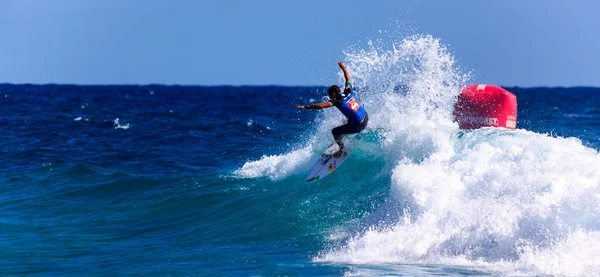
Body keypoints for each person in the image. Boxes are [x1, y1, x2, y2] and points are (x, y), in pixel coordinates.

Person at [297, 61, 368, 156]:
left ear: (334, 93)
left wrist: (306, 107)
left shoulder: (337, 101)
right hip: (366, 118)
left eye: (330, 95)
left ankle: (341, 149)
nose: (330, 97)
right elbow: (348, 79)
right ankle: (345, 137)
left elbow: (321, 106)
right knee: (345, 120)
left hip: (359, 126)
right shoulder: (348, 91)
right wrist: (343, 68)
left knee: (335, 131)